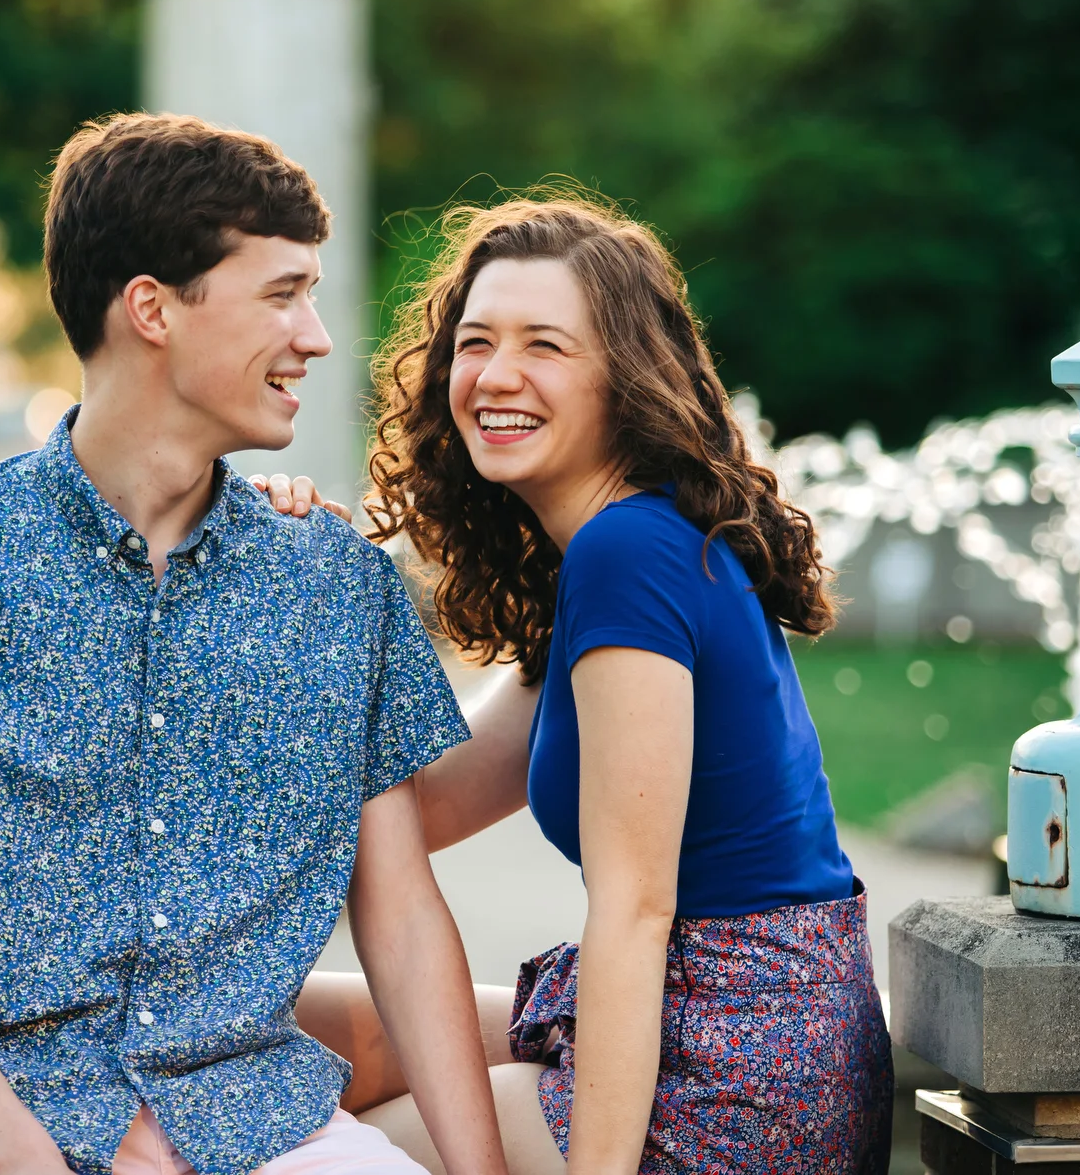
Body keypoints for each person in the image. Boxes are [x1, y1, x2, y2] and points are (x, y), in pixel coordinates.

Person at [0, 113, 510, 1175]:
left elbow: (399, 921)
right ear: (152, 309)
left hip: (266, 1125)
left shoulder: (338, 586)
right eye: (280, 294)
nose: (313, 335)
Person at [263, 197, 894, 1175]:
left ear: (622, 379)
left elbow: (635, 912)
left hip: (737, 1084)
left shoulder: (627, 553)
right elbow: (402, 806)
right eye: (475, 342)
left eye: (543, 345)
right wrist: (279, 599)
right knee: (271, 1026)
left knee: (294, 1146)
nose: (496, 375)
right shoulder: (612, 561)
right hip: (730, 1030)